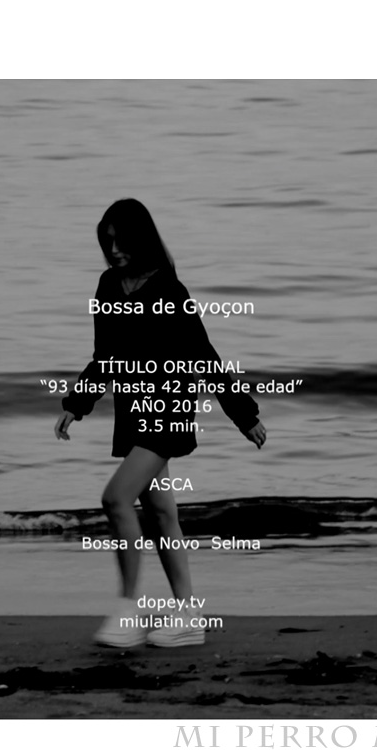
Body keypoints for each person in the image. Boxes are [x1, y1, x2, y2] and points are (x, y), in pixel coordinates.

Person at [55, 198, 267, 648]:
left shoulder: (170, 291)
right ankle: (188, 615)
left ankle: (128, 610)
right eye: (107, 243)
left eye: (121, 241)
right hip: (133, 408)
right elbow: (106, 357)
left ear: (142, 239)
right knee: (160, 513)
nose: (113, 251)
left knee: (116, 498)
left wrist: (243, 414)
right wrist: (77, 402)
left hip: (169, 407)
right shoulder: (108, 287)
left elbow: (203, 355)